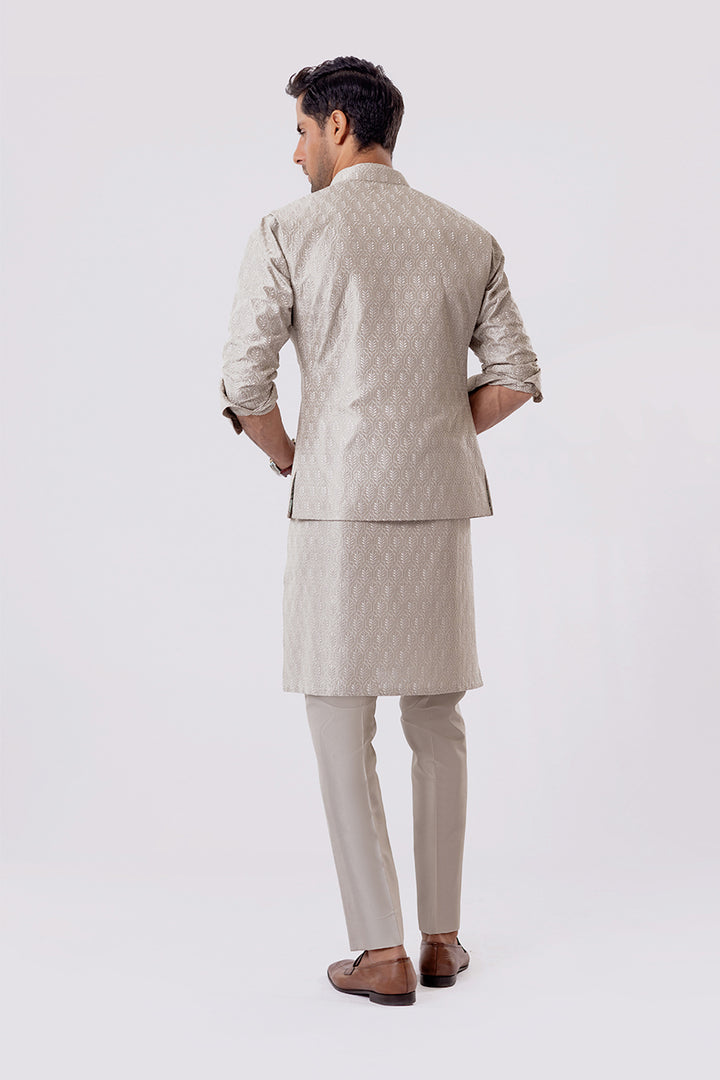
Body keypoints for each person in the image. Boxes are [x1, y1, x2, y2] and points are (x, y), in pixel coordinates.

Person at [219, 56, 543, 1007]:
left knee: (339, 721)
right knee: (437, 720)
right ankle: (440, 940)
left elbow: (243, 382)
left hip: (339, 508)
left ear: (339, 126)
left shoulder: (290, 230)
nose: (296, 152)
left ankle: (378, 950)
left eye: (301, 131)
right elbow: (517, 374)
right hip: (438, 506)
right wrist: (434, 430)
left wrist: (291, 454)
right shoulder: (467, 237)